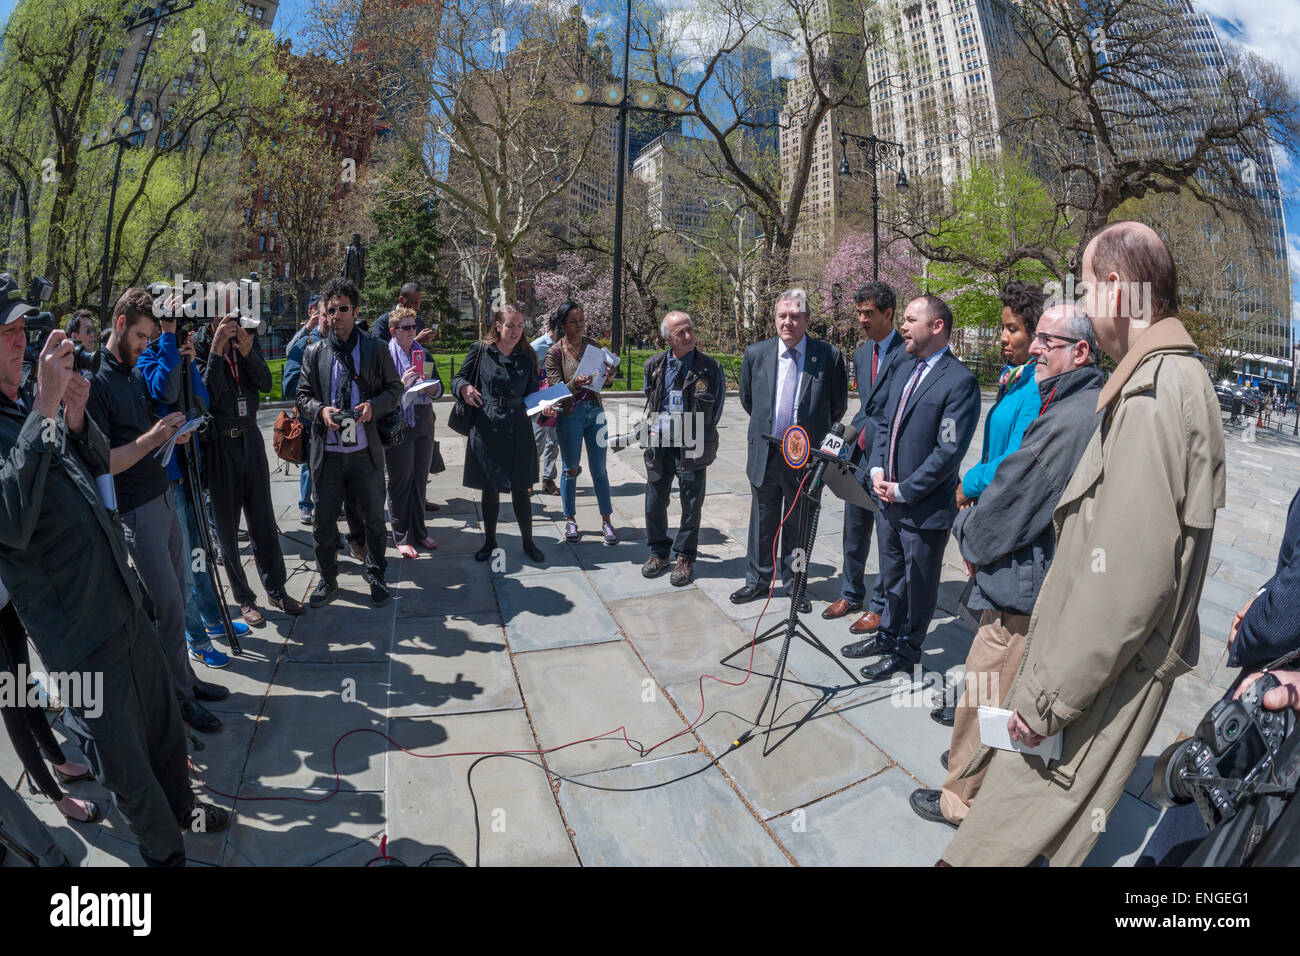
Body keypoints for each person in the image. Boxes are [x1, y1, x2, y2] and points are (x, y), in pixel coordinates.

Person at [939, 221, 1226, 867]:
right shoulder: (1171, 380)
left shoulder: (1155, 394)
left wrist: (1045, 705)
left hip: (1077, 691)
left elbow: (1128, 580)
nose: (1088, 307)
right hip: (1085, 679)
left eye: (1089, 288)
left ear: (1119, 288)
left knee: (996, 848)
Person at [0, 278, 227, 866]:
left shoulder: (29, 399)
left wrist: (74, 420)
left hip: (121, 601)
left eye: (24, 329)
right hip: (77, 636)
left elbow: (99, 462)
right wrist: (47, 408)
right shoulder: (27, 409)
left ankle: (186, 809)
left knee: (162, 728)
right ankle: (166, 852)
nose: (21, 342)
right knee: (124, 765)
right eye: (7, 333)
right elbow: (9, 520)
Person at [906, 304, 1103, 828]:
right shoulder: (1067, 398)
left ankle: (961, 801)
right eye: (1033, 336)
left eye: (1046, 340)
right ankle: (974, 773)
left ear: (1081, 352)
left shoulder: (1068, 415)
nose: (1034, 348)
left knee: (985, 693)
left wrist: (967, 533)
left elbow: (1014, 496)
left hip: (1020, 587)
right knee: (994, 696)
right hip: (1025, 579)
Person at [86, 287, 226, 733]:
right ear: (121, 324)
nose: (147, 345)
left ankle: (185, 680)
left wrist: (170, 435)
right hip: (135, 511)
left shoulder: (128, 371)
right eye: (143, 336)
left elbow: (149, 420)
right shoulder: (97, 380)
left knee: (180, 597)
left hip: (162, 494)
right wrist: (153, 438)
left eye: (152, 337)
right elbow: (103, 460)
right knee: (167, 605)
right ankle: (178, 700)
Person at [931, 279, 1046, 726]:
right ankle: (972, 704)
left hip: (1007, 522)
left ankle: (980, 716)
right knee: (987, 626)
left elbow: (1011, 462)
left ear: (1036, 335)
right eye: (1004, 328)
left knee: (1000, 630)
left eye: (1013, 329)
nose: (1004, 337)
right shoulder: (1015, 379)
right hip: (988, 509)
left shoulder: (1035, 386)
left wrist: (968, 486)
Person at [851, 294, 980, 682]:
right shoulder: (907, 367)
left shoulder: (960, 382)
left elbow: (947, 451)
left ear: (936, 326)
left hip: (923, 507)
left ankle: (907, 651)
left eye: (910, 320)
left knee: (920, 585)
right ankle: (887, 634)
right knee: (892, 576)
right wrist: (875, 470)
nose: (903, 327)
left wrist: (905, 489)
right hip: (887, 498)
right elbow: (886, 425)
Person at [136, 306, 251, 668]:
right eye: (167, 325)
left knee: (202, 556)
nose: (177, 330)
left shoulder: (179, 358)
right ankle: (195, 639)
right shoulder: (146, 360)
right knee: (183, 564)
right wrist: (170, 346)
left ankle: (212, 618)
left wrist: (188, 363)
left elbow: (201, 402)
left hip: (191, 473)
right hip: (167, 478)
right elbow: (164, 389)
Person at [732, 289, 848, 611]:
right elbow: (749, 400)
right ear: (775, 319)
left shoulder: (829, 356)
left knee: (798, 526)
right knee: (761, 524)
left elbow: (836, 407)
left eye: (795, 316)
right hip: (766, 453)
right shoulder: (756, 353)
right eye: (782, 316)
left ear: (807, 320)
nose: (788, 322)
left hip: (804, 459)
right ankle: (756, 581)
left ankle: (795, 585)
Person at [194, 300, 304, 625]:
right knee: (227, 531)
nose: (232, 320)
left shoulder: (244, 340)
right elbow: (205, 396)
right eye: (225, 312)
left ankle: (277, 589)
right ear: (212, 314)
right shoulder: (200, 346)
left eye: (236, 312)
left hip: (250, 438)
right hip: (220, 445)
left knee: (264, 522)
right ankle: (244, 598)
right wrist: (215, 351)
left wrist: (247, 352)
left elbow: (266, 383)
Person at [296, 276, 404, 608]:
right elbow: (301, 396)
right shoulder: (314, 353)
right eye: (332, 310)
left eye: (344, 309)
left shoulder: (374, 348)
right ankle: (327, 578)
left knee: (373, 519)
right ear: (324, 314)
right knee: (323, 521)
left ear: (355, 311)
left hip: (364, 453)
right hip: (327, 455)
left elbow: (395, 390)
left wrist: (374, 408)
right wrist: (320, 410)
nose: (338, 315)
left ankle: (376, 574)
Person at [823, 281, 908, 633]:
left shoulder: (908, 353)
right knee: (853, 529)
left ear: (889, 313)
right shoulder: (860, 354)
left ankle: (881, 605)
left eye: (868, 313)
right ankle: (850, 592)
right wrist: (843, 437)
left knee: (887, 537)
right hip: (858, 456)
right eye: (858, 313)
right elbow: (867, 407)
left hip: (891, 458)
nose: (862, 320)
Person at [640, 311, 725, 587]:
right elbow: (650, 399)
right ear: (668, 338)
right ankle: (658, 552)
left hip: (692, 444)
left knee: (690, 502)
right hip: (659, 441)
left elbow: (718, 407)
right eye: (681, 333)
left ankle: (685, 556)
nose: (689, 336)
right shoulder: (654, 365)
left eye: (690, 330)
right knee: (654, 500)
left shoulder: (709, 367)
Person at [455, 304, 544, 563]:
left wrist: (544, 408)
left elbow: (532, 395)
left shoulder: (528, 355)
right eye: (510, 325)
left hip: (518, 425)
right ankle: (490, 541)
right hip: (487, 423)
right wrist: (465, 389)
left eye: (520, 325)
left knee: (521, 487)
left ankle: (528, 541)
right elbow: (459, 378)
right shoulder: (481, 350)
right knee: (489, 487)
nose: (516, 330)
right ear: (498, 325)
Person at [0, 601, 100, 824]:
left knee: (25, 688)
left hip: (4, 604)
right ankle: (57, 798)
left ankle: (60, 763)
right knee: (13, 709)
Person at [545, 301, 620, 545]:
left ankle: (607, 521)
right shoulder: (554, 352)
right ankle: (570, 520)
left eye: (582, 321)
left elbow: (603, 382)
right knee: (570, 469)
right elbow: (556, 391)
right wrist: (575, 383)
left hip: (595, 412)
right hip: (571, 415)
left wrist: (609, 377)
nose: (579, 326)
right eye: (574, 322)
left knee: (600, 469)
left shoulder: (593, 346)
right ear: (563, 324)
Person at [386, 305, 442, 558]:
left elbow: (439, 389)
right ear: (393, 331)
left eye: (413, 327)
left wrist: (431, 389)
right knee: (400, 481)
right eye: (406, 328)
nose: (412, 332)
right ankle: (401, 535)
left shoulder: (424, 354)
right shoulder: (385, 356)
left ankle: (420, 531)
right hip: (398, 422)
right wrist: (401, 385)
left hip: (423, 420)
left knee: (419, 481)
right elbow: (380, 395)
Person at [284, 298, 324, 525]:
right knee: (309, 462)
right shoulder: (308, 336)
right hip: (309, 412)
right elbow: (290, 351)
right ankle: (306, 505)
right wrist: (307, 327)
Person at [530, 320, 560, 496]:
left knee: (553, 441)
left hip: (556, 397)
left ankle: (548, 479)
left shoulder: (562, 346)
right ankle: (529, 478)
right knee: (536, 440)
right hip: (539, 399)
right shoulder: (537, 347)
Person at [377, 282, 436, 348]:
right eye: (413, 303)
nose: (418, 307)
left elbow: (422, 353)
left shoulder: (419, 321)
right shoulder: (384, 322)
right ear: (401, 300)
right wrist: (416, 341)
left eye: (419, 303)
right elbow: (378, 351)